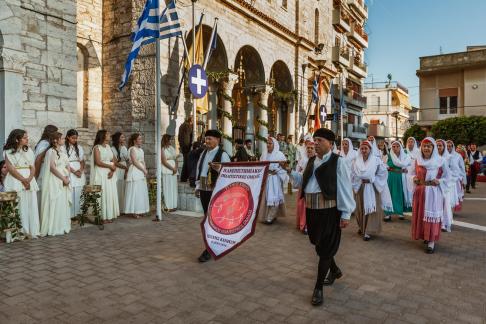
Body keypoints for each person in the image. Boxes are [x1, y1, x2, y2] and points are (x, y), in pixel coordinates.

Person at [285, 128, 355, 306]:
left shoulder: (339, 162)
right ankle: (335, 270)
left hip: (330, 211)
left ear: (330, 144)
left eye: (320, 140)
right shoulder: (310, 161)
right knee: (319, 246)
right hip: (312, 211)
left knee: (325, 249)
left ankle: (318, 288)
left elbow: (345, 188)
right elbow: (302, 182)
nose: (315, 143)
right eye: (314, 140)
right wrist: (289, 171)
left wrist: (346, 213)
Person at [408, 137, 449, 254]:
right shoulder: (417, 160)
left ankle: (431, 241)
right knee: (421, 215)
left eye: (429, 146)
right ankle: (425, 236)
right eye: (424, 146)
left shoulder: (441, 161)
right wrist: (413, 178)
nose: (426, 148)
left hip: (433, 193)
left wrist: (440, 181)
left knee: (431, 217)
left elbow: (448, 177)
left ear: (433, 148)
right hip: (420, 192)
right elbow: (411, 173)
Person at [195, 130, 231, 262]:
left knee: (213, 219)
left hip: (216, 190)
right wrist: (198, 186)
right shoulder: (204, 153)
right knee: (207, 217)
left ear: (218, 140)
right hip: (205, 189)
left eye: (210, 139)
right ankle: (213, 244)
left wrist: (218, 169)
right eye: (206, 139)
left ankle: (210, 248)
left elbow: (229, 173)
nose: (207, 141)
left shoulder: (223, 154)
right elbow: (200, 169)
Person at [351, 141, 393, 241]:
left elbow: (383, 173)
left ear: (370, 149)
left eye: (366, 148)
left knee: (371, 209)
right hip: (360, 187)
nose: (364, 150)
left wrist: (374, 179)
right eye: (362, 148)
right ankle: (362, 227)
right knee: (360, 208)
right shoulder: (356, 161)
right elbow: (352, 174)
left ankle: (368, 231)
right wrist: (356, 182)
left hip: (372, 188)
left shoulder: (376, 160)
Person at [3, 129, 40, 238]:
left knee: (30, 204)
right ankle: (18, 232)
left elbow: (33, 166)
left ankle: (31, 231)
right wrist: (23, 180)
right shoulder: (8, 151)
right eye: (24, 137)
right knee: (19, 205)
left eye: (27, 137)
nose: (27, 139)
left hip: (29, 179)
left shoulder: (28, 150)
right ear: (17, 139)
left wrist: (29, 179)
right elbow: (11, 169)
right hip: (16, 180)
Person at [40, 132, 71, 236]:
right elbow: (52, 167)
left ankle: (61, 225)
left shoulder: (63, 151)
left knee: (62, 202)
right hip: (55, 179)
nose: (63, 139)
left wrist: (67, 177)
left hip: (64, 178)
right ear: (55, 140)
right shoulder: (50, 151)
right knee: (55, 202)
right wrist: (63, 178)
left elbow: (67, 165)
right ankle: (53, 227)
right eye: (61, 138)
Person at [90, 130, 120, 223]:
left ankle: (109, 215)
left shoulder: (108, 147)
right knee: (102, 194)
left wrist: (112, 169)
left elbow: (114, 161)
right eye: (107, 134)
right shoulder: (97, 147)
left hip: (109, 173)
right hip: (101, 173)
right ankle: (101, 216)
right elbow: (98, 162)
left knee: (109, 193)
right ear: (102, 136)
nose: (109, 135)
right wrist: (109, 166)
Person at [260, 137, 288, 225]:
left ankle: (270, 218)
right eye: (267, 143)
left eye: (270, 143)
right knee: (266, 198)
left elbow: (284, 167)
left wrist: (277, 172)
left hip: (275, 179)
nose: (268, 145)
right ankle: (268, 216)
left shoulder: (280, 155)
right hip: (266, 178)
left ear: (274, 145)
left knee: (274, 198)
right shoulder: (264, 154)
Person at [384, 141, 412, 221]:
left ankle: (400, 212)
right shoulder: (388, 156)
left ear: (400, 147)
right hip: (391, 177)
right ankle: (388, 214)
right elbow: (383, 165)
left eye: (397, 146)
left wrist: (407, 170)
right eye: (393, 147)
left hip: (401, 177)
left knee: (400, 194)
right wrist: (387, 168)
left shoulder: (406, 157)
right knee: (389, 195)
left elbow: (410, 167)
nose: (395, 148)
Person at [124, 133, 150, 218]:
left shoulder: (141, 150)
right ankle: (134, 211)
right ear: (135, 140)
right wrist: (143, 169)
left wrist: (145, 170)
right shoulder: (132, 149)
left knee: (140, 191)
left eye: (141, 139)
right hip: (135, 171)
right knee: (135, 191)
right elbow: (134, 162)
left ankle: (140, 210)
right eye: (139, 139)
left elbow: (143, 161)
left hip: (141, 172)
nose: (141, 141)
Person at [34, 125, 58, 206]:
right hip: (43, 170)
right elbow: (38, 160)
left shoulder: (47, 143)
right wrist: (36, 176)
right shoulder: (44, 144)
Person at [295, 139, 315, 233]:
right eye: (308, 148)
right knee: (302, 206)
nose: (310, 150)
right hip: (303, 186)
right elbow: (297, 171)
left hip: (313, 188)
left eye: (312, 148)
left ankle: (310, 225)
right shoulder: (302, 159)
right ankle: (303, 224)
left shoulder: (317, 160)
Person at [65, 129, 86, 220]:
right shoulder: (63, 148)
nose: (75, 140)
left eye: (76, 138)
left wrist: (80, 171)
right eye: (73, 138)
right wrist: (74, 171)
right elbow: (65, 162)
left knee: (79, 191)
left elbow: (82, 161)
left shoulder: (79, 147)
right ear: (68, 137)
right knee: (71, 191)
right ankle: (70, 214)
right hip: (69, 170)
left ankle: (78, 213)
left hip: (78, 170)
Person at [111, 132, 129, 214]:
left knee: (124, 187)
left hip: (124, 168)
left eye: (124, 137)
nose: (124, 139)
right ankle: (117, 208)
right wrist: (125, 167)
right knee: (118, 187)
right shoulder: (112, 149)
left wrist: (127, 170)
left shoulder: (124, 148)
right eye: (122, 137)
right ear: (117, 139)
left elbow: (127, 160)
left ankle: (123, 208)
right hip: (118, 169)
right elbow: (115, 162)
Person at [447, 140, 467, 212]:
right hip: (446, 179)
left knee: (454, 195)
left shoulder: (458, 156)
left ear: (453, 147)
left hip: (456, 179)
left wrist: (464, 180)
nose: (448, 147)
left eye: (450, 146)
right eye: (447, 146)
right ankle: (447, 209)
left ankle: (451, 209)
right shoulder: (442, 155)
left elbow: (462, 168)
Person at [161, 134, 178, 212]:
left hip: (174, 169)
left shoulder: (172, 148)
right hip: (167, 169)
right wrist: (172, 168)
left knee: (173, 187)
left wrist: (176, 168)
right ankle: (167, 206)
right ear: (166, 140)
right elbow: (164, 161)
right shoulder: (162, 149)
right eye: (170, 139)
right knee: (167, 187)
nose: (171, 141)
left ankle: (173, 205)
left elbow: (175, 158)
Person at [178, 116, 194, 182]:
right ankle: (184, 177)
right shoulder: (187, 126)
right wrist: (188, 146)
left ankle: (184, 177)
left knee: (186, 161)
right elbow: (187, 137)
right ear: (191, 120)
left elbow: (179, 137)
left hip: (183, 146)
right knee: (187, 162)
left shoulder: (182, 125)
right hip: (186, 146)